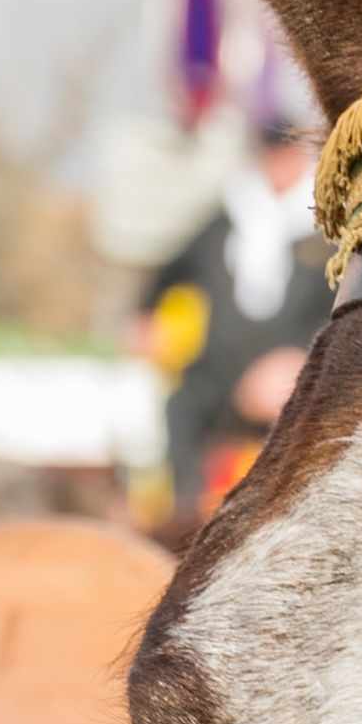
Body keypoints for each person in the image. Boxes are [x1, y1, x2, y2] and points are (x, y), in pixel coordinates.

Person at [135, 113, 331, 521]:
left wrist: (299, 361)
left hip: (292, 378)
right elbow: (169, 270)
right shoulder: (228, 219)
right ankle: (187, 520)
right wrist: (143, 316)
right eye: (270, 152)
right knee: (181, 405)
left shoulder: (326, 232)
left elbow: (336, 309)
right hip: (218, 375)